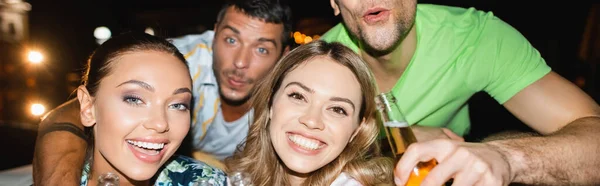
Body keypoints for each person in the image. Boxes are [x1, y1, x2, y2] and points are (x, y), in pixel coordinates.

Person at [322, 0, 600, 185]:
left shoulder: (474, 39)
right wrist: (386, 141)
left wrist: (505, 157)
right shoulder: (315, 67)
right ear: (334, 2)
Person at [32, 0, 292, 185]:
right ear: (213, 35)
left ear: (284, 56)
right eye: (231, 40)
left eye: (262, 49)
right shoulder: (169, 62)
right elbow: (76, 110)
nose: (239, 62)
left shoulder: (295, 94)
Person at [226, 40, 393, 185]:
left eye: (337, 109)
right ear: (271, 103)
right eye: (298, 96)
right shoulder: (238, 180)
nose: (312, 120)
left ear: (356, 130)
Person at [74, 32, 227, 185]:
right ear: (88, 107)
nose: (160, 124)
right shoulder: (54, 176)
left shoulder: (207, 181)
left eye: (177, 105)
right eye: (134, 99)